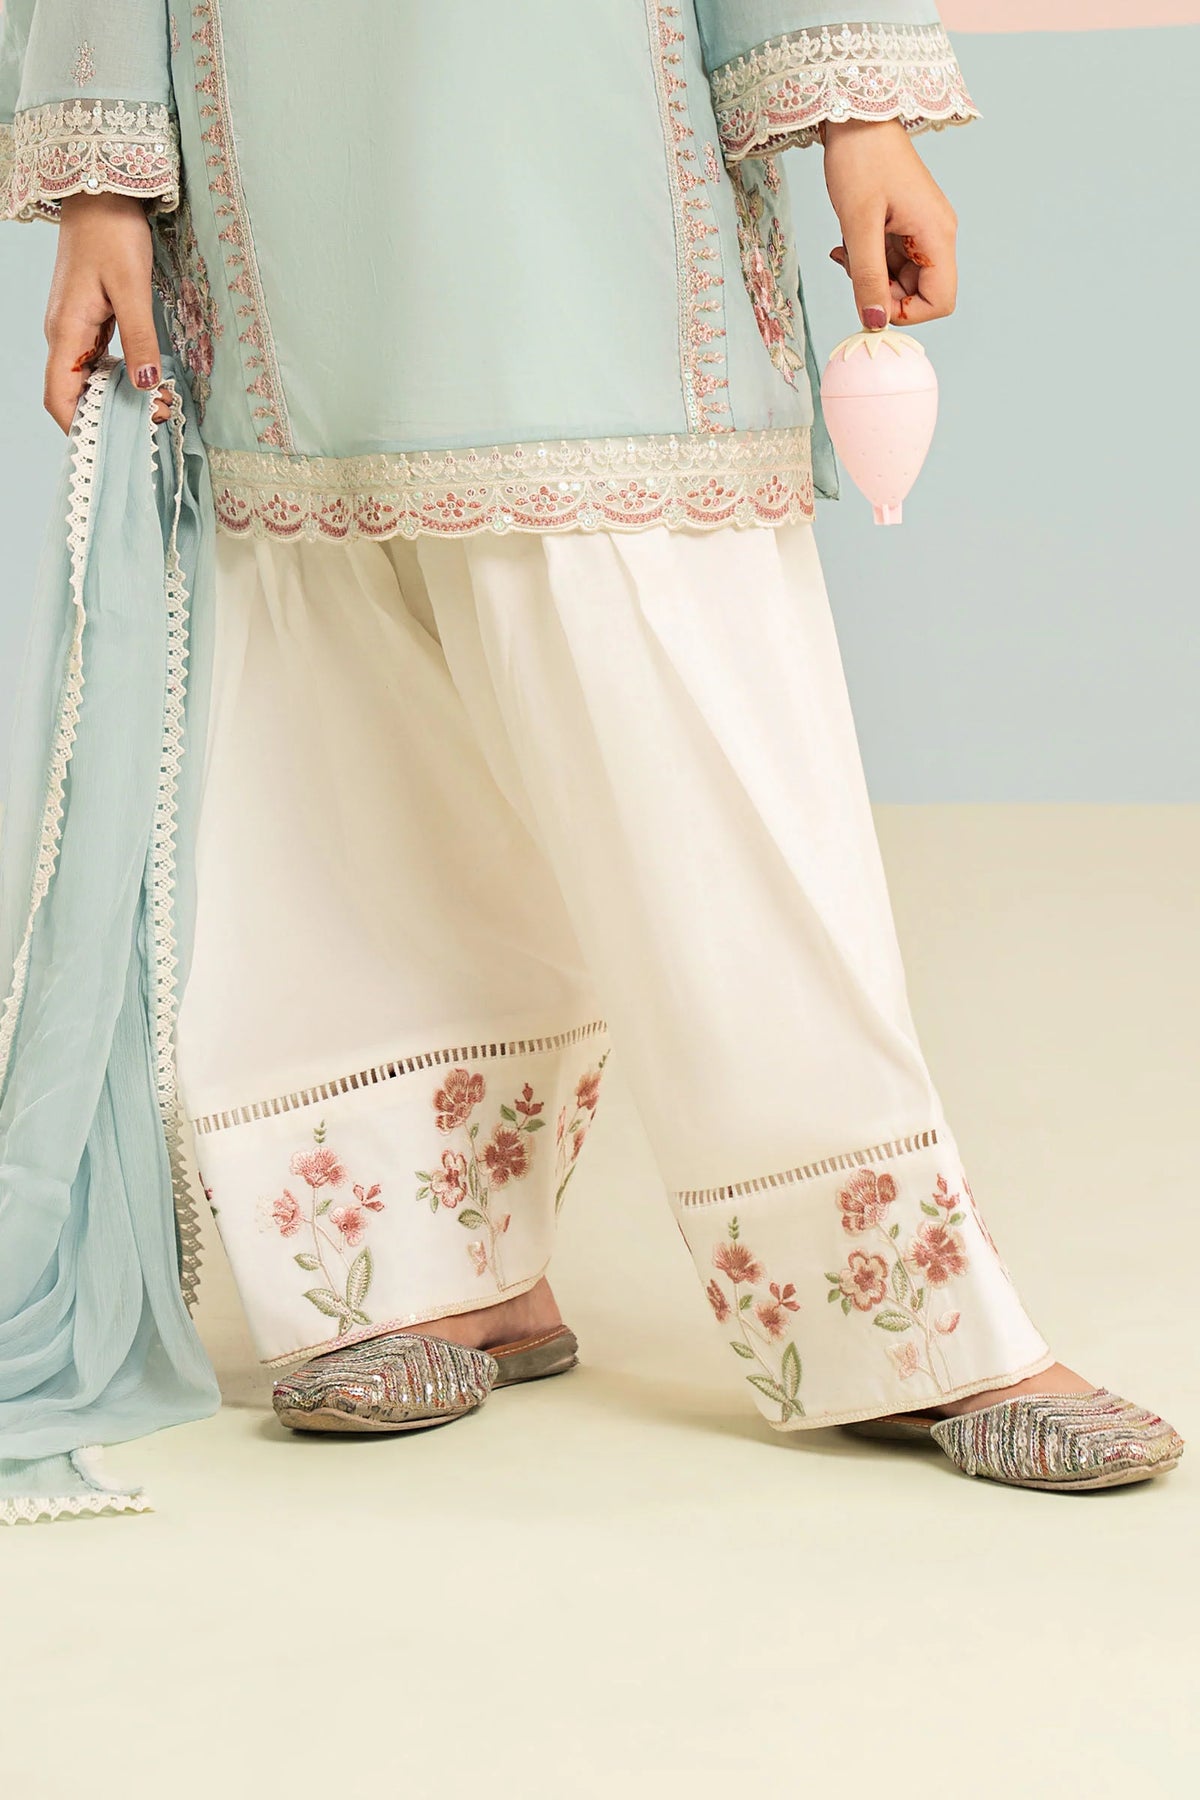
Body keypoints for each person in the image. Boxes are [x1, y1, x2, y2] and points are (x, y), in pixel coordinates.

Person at [0, 1, 1181, 1519]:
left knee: (673, 663)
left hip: (573, 110)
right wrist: (101, 186)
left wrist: (859, 115)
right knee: (331, 689)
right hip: (268, 138)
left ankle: (899, 1314)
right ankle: (428, 1264)